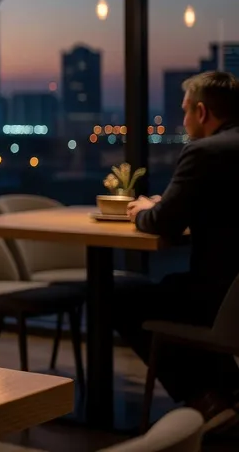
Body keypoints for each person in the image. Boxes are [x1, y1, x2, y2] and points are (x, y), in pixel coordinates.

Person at [120, 70, 239, 428]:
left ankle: (205, 397)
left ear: (202, 113)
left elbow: (162, 223)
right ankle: (228, 388)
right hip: (232, 293)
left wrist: (144, 211)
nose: (183, 119)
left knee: (116, 292)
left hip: (217, 300)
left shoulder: (204, 151)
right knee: (170, 285)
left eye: (185, 111)